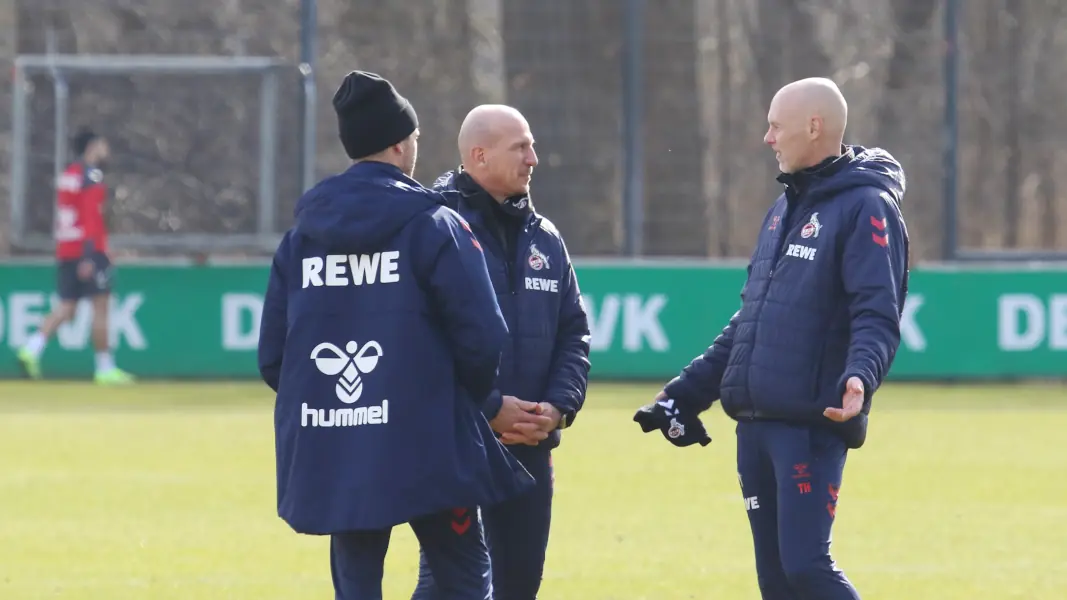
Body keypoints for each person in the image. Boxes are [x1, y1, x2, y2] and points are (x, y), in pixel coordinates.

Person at [257, 71, 535, 600]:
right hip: (429, 439)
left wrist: (337, 407)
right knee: (462, 574)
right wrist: (469, 401)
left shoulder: (301, 239)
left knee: (357, 581)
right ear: (399, 143)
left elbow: (274, 357)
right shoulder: (434, 224)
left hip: (341, 440)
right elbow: (483, 334)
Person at [633, 77, 909, 600]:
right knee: (778, 583)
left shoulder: (867, 206)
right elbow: (751, 324)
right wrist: (683, 395)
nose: (767, 138)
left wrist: (860, 377)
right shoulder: (785, 208)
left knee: (806, 568)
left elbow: (878, 311)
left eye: (775, 126)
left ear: (813, 126)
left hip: (808, 424)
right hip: (755, 428)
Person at [413, 105, 591, 600]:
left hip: (531, 445)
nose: (534, 158)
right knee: (450, 586)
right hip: (457, 445)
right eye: (521, 147)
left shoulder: (546, 237)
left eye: (531, 145)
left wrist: (557, 408)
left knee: (518, 588)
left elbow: (573, 333)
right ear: (479, 155)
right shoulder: (434, 229)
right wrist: (488, 408)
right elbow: (420, 340)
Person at [17, 129, 134, 384]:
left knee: (67, 306)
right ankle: (105, 368)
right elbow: (91, 219)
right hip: (87, 250)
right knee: (100, 306)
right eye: (103, 144)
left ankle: (32, 348)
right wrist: (91, 255)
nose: (106, 150)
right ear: (92, 146)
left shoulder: (68, 175)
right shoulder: (90, 177)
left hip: (66, 248)